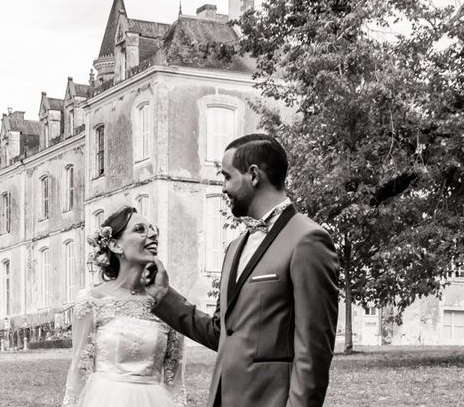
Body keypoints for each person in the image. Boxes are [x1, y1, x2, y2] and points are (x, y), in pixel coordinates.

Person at [142, 133, 339, 407]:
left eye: (227, 177)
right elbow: (222, 333)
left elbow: (314, 353)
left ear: (254, 175)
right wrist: (164, 296)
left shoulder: (308, 240)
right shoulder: (235, 247)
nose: (223, 187)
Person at [62, 206, 186, 407]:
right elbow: (79, 370)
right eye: (140, 229)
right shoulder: (91, 301)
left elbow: (176, 379)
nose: (153, 234)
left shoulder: (166, 302)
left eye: (153, 229)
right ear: (115, 245)